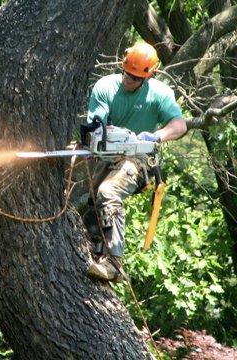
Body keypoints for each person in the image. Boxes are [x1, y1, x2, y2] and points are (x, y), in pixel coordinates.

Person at [85, 42, 187, 282]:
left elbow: (180, 125)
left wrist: (157, 136)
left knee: (108, 191)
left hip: (139, 160)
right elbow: (95, 123)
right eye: (127, 75)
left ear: (148, 75)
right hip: (108, 155)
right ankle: (95, 248)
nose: (128, 81)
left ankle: (114, 263)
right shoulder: (105, 87)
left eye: (134, 78)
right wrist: (95, 141)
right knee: (87, 200)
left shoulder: (159, 94)